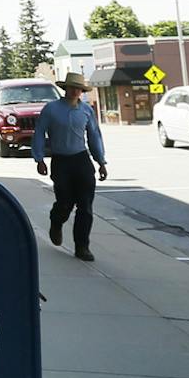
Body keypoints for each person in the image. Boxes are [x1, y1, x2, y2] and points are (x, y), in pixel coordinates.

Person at [32, 71, 108, 262]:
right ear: (65, 88)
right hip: (61, 161)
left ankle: (82, 247)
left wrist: (100, 162)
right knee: (65, 202)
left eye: (79, 89)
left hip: (81, 160)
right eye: (73, 87)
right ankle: (56, 222)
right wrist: (39, 158)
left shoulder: (86, 111)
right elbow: (39, 133)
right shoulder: (51, 109)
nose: (76, 91)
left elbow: (94, 136)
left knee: (85, 206)